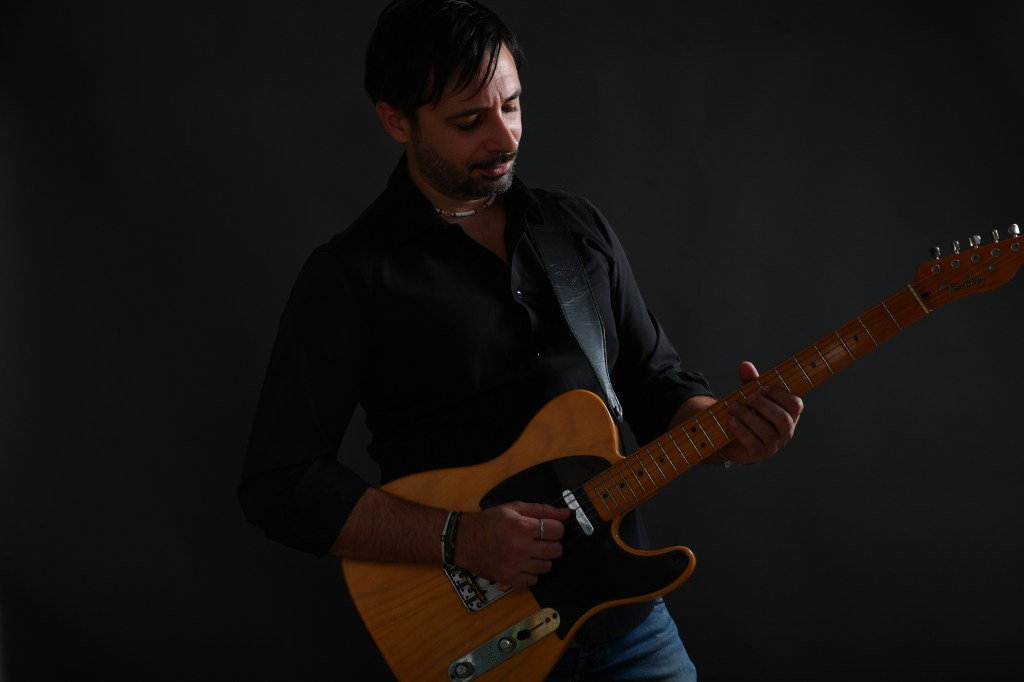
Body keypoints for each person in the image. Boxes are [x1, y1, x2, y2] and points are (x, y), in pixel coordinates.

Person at [239, 0, 804, 679]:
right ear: (396, 120)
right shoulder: (352, 275)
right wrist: (458, 538)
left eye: (511, 106)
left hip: (627, 621)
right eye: (468, 121)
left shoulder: (575, 230)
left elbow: (655, 381)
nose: (503, 136)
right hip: (483, 642)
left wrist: (726, 432)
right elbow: (280, 482)